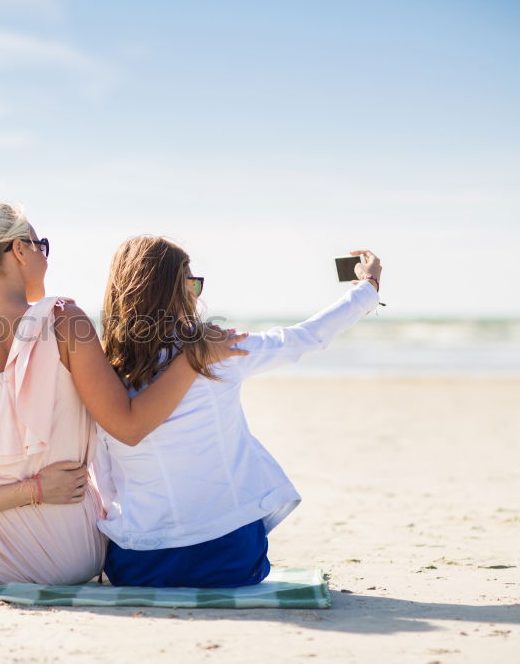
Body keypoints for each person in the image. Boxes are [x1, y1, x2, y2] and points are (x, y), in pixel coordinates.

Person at [0, 202, 250, 585]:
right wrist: (190, 359)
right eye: (41, 246)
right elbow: (130, 427)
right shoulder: (67, 323)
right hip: (76, 558)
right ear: (19, 250)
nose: (44, 258)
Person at [93, 236, 383, 588]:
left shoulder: (101, 369)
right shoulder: (220, 352)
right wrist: (367, 289)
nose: (196, 293)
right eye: (191, 281)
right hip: (229, 560)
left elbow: (103, 471)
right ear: (175, 289)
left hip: (139, 564)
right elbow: (305, 338)